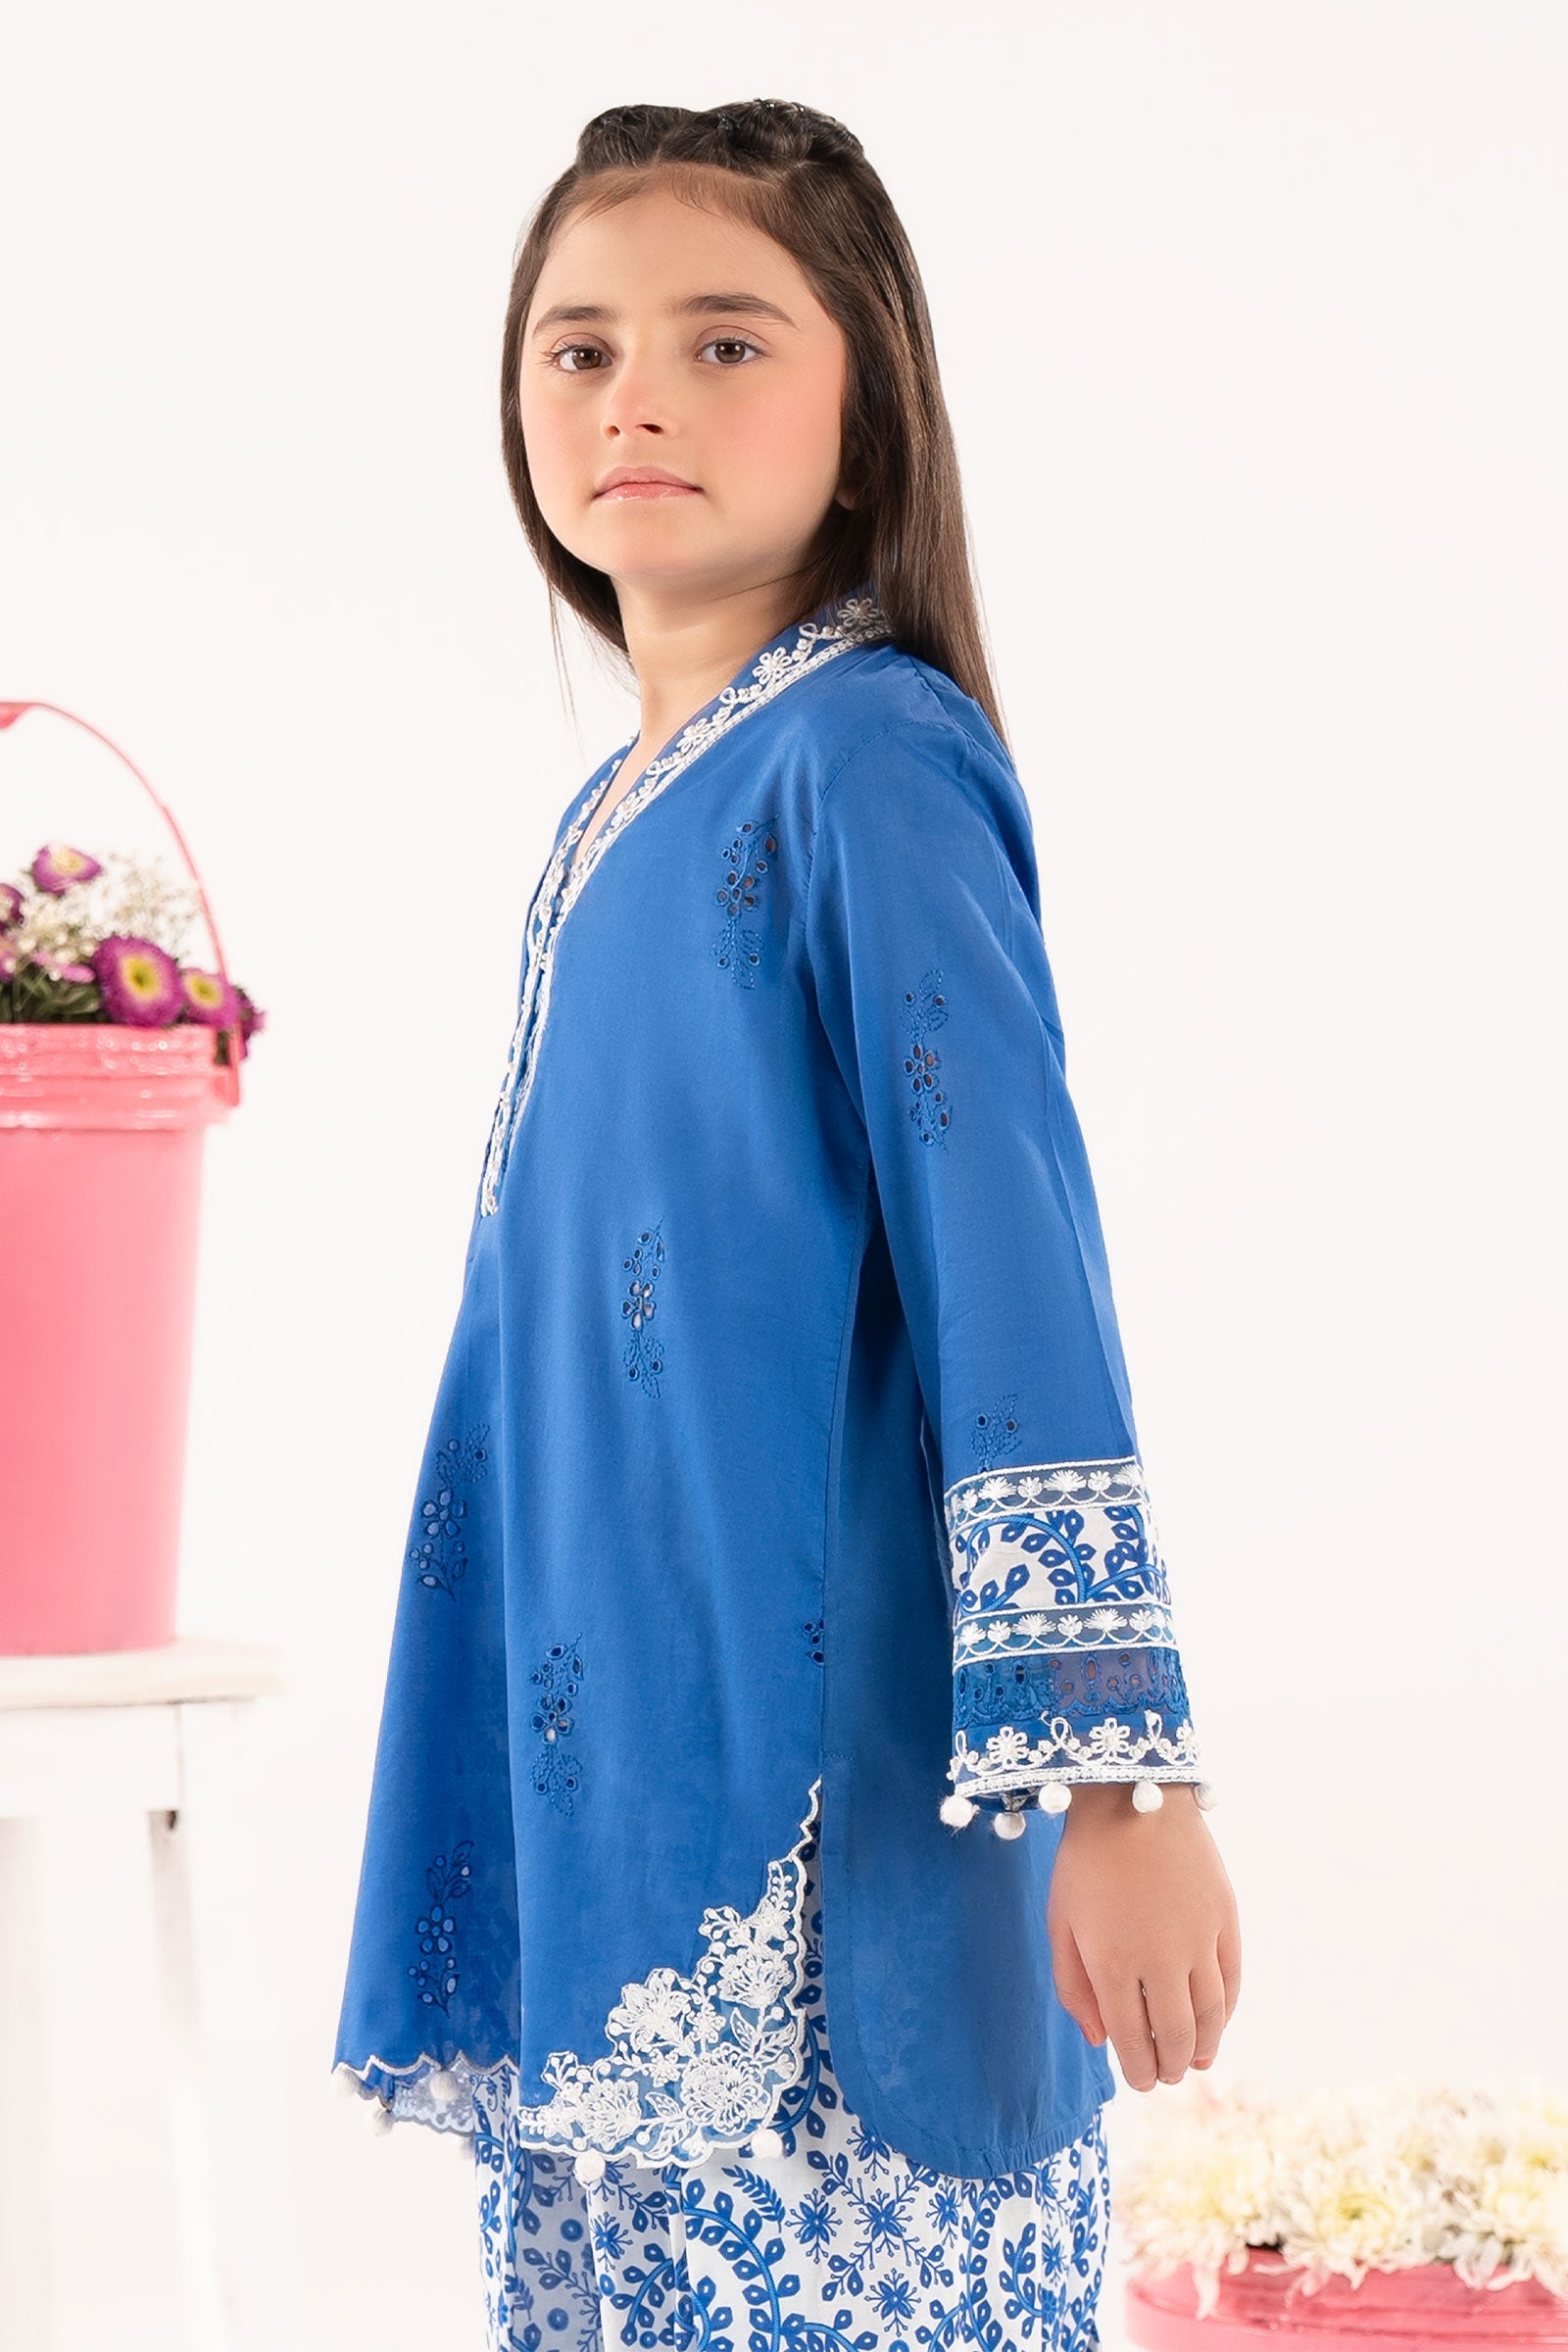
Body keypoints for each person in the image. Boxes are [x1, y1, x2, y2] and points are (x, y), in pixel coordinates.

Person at [333, 97, 1242, 2352]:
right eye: (577, 349)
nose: (633, 396)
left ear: (865, 420)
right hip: (616, 1821)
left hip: (832, 1834)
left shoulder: (865, 759)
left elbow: (1012, 1268)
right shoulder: (612, 815)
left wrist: (1123, 1778)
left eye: (724, 342)